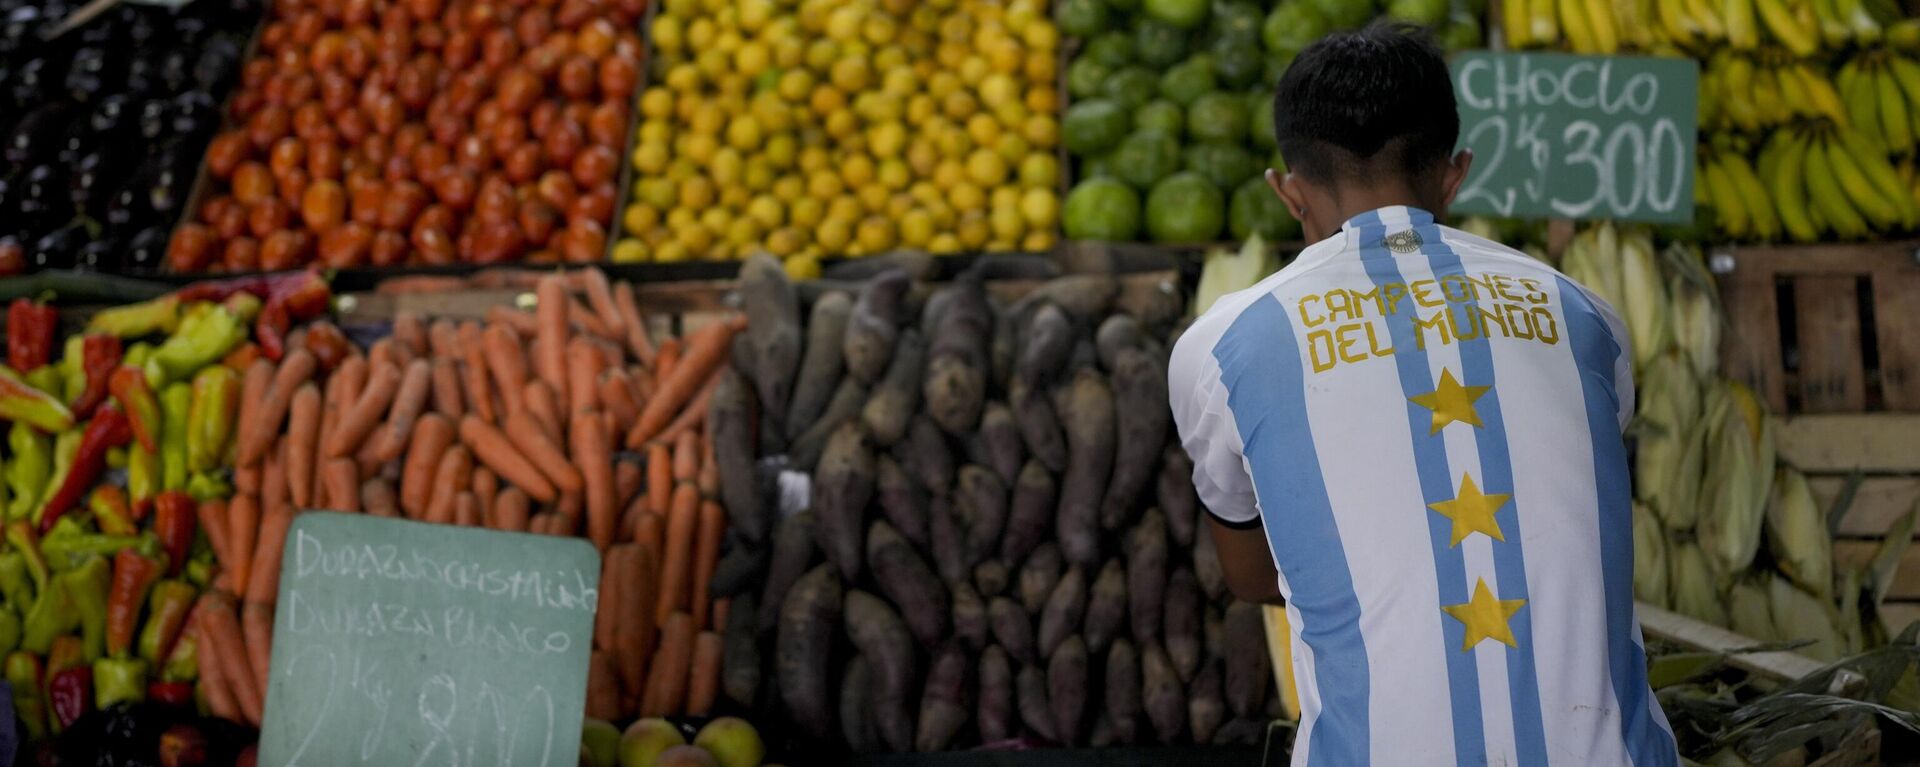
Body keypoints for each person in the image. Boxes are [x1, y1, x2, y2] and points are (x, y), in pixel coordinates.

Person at [1168, 23, 1679, 766]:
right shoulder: (1583, 314)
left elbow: (1251, 576)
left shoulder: (1223, 342)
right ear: (1454, 174)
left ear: (1288, 192)